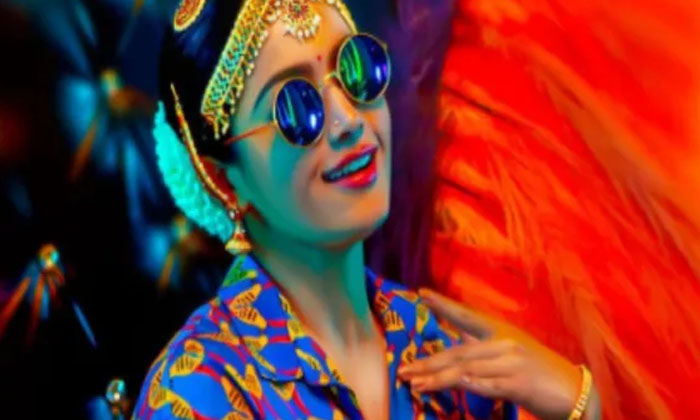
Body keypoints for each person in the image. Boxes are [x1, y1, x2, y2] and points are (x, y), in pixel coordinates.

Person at [132, 0, 601, 419]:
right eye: (296, 107)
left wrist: (579, 404)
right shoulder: (197, 392)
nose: (349, 121)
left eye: (357, 70)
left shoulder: (438, 346)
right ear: (222, 179)